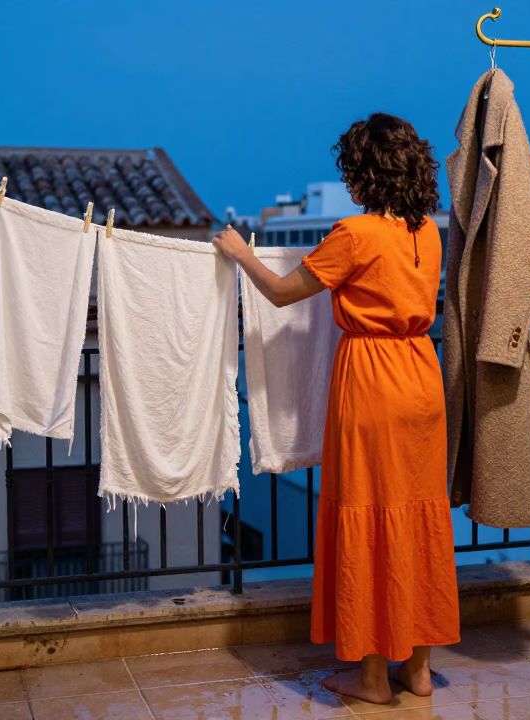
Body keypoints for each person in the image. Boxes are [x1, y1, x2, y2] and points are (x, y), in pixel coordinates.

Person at [212, 112, 460, 704]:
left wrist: (241, 252)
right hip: (422, 378)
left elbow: (279, 294)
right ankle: (419, 670)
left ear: (365, 173)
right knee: (419, 515)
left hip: (372, 380)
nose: (347, 182)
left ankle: (373, 677)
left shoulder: (355, 233)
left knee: (370, 515)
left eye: (351, 170)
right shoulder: (426, 231)